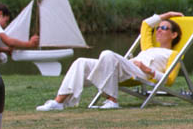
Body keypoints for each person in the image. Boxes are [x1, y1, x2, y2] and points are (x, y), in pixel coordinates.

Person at [36, 11, 183, 111]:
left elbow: (169, 81)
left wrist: (147, 70)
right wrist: (168, 15)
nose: (158, 30)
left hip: (140, 72)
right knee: (81, 62)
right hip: (125, 68)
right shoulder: (148, 46)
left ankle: (112, 101)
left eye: (164, 28)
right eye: (158, 27)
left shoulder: (174, 54)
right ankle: (58, 103)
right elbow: (146, 24)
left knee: (108, 54)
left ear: (174, 34)